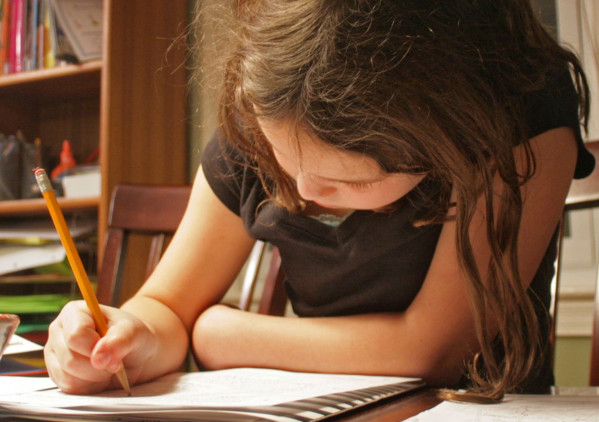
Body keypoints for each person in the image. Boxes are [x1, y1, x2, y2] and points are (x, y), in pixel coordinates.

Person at [44, 0, 593, 401]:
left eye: (350, 182)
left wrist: (219, 333)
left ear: (444, 135)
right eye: (286, 159)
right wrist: (126, 338)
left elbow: (432, 352)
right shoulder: (264, 118)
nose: (304, 191)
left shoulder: (518, 116)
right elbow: (166, 307)